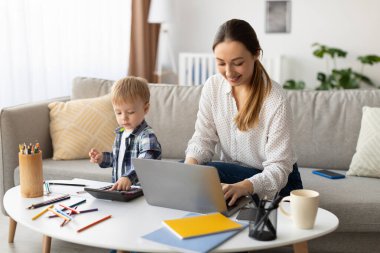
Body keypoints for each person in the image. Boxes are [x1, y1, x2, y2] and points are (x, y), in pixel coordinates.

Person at [185, 19, 303, 206]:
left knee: (208, 174)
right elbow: (203, 138)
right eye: (221, 63)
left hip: (280, 183)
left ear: (256, 54)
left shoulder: (275, 99)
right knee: (184, 171)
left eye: (238, 63)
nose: (229, 72)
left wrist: (245, 186)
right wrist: (188, 169)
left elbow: (279, 167)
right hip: (234, 174)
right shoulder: (213, 86)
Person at [89, 76, 161, 191]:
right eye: (118, 113)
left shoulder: (147, 136)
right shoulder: (121, 133)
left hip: (143, 193)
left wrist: (128, 177)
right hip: (122, 191)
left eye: (130, 112)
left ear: (146, 108)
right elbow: (118, 160)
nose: (124, 118)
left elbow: (146, 163)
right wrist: (102, 158)